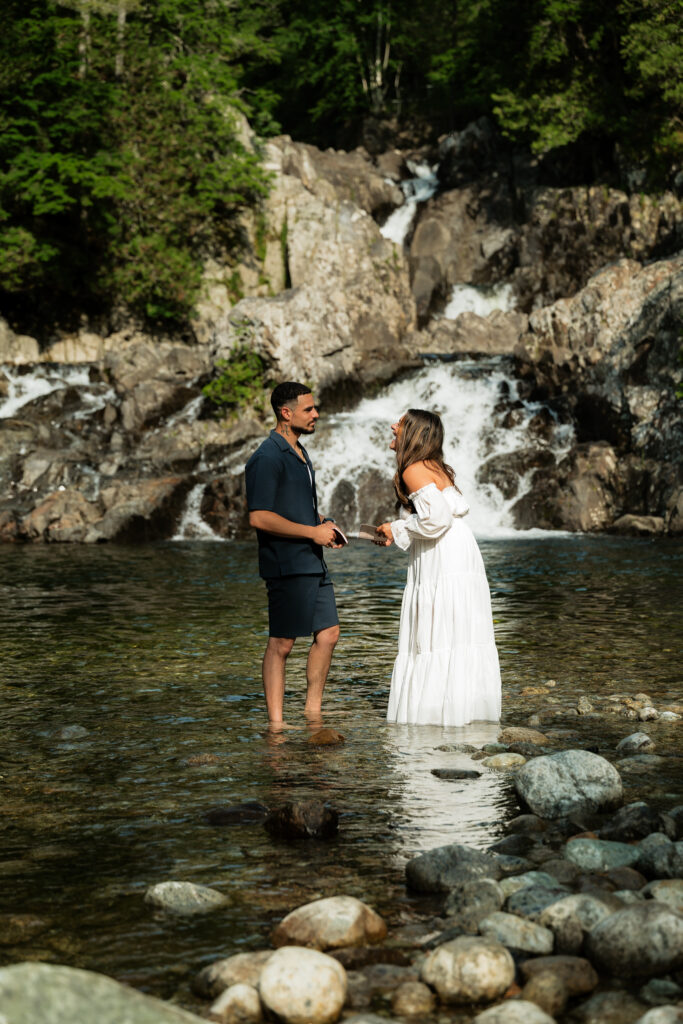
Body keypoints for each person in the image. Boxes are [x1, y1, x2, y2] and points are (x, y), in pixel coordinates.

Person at [375, 409, 501, 727]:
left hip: (444, 551)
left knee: (437, 626)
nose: (393, 425)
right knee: (456, 628)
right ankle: (465, 711)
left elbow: (437, 519)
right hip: (458, 548)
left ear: (414, 433)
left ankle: (431, 716)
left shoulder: (414, 468)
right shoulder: (435, 466)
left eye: (400, 423)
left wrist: (396, 529)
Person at [245, 381, 342, 730]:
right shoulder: (267, 457)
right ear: (286, 414)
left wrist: (322, 525)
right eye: (308, 409)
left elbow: (293, 505)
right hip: (286, 563)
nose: (316, 414)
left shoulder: (299, 450)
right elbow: (259, 516)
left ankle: (312, 711)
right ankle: (276, 724)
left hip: (311, 559)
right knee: (282, 643)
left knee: (328, 633)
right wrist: (311, 533)